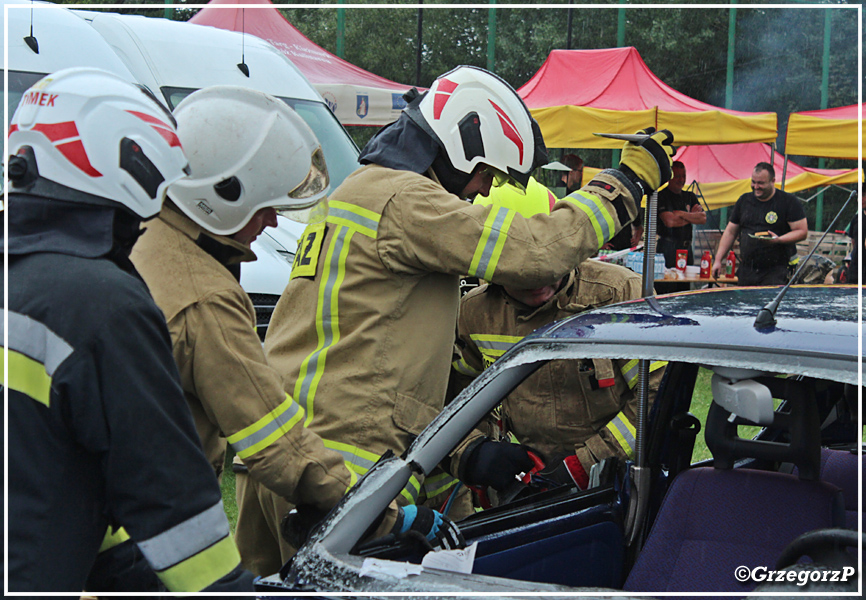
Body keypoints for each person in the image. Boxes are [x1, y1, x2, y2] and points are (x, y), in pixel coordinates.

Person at [263, 65, 674, 518]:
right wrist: (627, 183)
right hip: (343, 464)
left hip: (285, 452)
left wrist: (471, 455)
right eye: (486, 172)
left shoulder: (358, 193)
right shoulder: (406, 200)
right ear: (460, 145)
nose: (480, 192)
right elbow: (537, 251)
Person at [131, 85, 454, 576]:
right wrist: (390, 516)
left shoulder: (138, 240)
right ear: (218, 194)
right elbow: (277, 444)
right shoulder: (205, 296)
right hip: (155, 530)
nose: (271, 221)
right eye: (263, 205)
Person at [3, 68, 254, 592]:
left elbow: (55, 474)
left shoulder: (20, 278)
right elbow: (171, 505)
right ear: (124, 162)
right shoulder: (102, 304)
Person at [452, 180, 666, 495]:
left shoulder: (620, 294)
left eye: (547, 262)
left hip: (620, 485)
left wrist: (583, 466)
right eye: (520, 270)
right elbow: (459, 400)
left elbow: (657, 395)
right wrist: (479, 454)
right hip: (527, 486)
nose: (538, 278)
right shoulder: (475, 313)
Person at [711, 162, 807, 286]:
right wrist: (718, 260)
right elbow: (730, 231)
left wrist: (779, 240)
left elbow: (802, 232)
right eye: (753, 182)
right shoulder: (744, 201)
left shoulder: (788, 202)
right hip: (747, 269)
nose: (756, 187)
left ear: (772, 181)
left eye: (761, 183)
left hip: (777, 270)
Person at [655, 161, 706, 292]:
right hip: (668, 249)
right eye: (677, 176)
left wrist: (682, 214)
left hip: (686, 249)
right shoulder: (662, 196)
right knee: (666, 288)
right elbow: (670, 221)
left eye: (683, 176)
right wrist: (691, 216)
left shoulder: (690, 196)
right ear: (669, 177)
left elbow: (702, 218)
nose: (681, 180)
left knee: (683, 289)